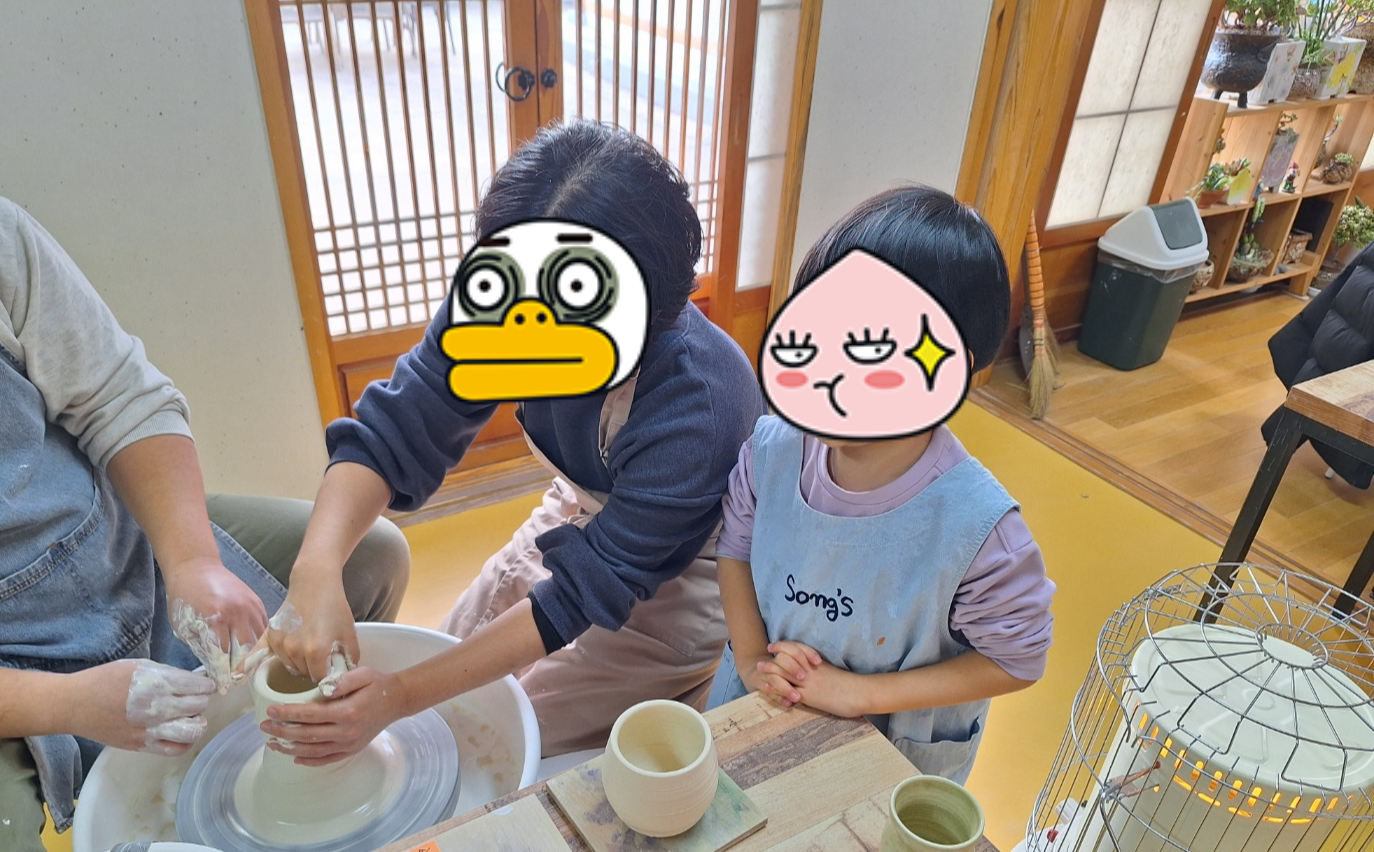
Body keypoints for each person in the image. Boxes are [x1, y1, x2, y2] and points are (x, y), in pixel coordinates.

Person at [0, 171, 410, 852]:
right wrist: (62, 702)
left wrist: (193, 560)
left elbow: (121, 397)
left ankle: (307, 768)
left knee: (370, 556)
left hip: (112, 542)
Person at [260, 119, 764, 760]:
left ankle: (680, 684)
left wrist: (399, 696)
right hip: (577, 514)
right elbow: (394, 429)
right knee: (446, 678)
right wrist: (316, 568)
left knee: (496, 742)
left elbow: (585, 589)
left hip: (683, 573)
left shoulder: (699, 405)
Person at [705, 186, 1056, 785]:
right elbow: (735, 548)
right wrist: (750, 656)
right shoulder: (771, 450)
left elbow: (1018, 658)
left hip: (890, 753)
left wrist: (861, 693)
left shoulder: (976, 527)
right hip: (762, 701)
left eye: (871, 349)